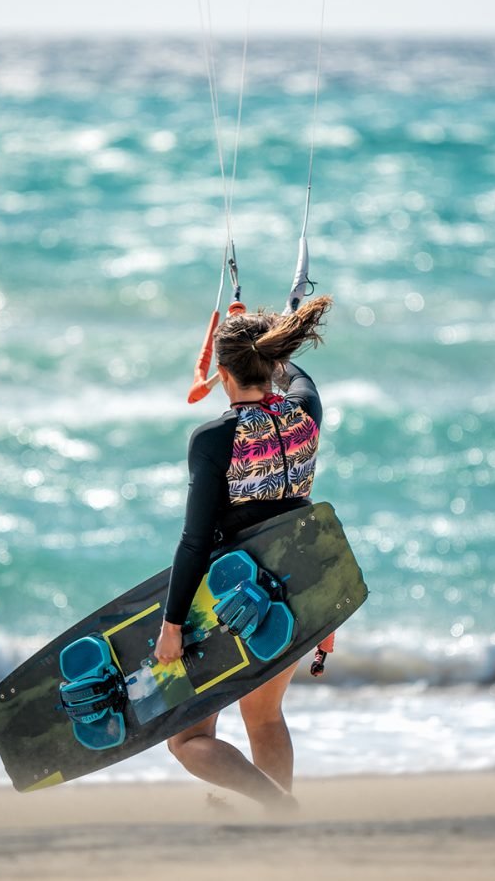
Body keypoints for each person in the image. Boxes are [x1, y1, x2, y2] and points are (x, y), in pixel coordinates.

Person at [152, 295, 333, 811]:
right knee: (265, 715)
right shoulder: (306, 412)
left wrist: (172, 625)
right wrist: (268, 349)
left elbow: (194, 540)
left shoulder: (213, 439)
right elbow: (297, 378)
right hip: (298, 592)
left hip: (235, 601)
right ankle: (275, 827)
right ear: (270, 362)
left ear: (224, 374)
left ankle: (276, 806)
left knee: (187, 741)